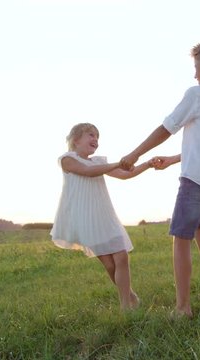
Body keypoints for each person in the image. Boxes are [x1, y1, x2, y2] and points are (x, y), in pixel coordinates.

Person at [120, 40, 200, 318]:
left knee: (181, 236)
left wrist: (135, 153)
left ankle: (182, 307)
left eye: (197, 67)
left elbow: (167, 128)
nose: (194, 74)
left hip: (196, 180)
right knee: (199, 225)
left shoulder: (198, 94)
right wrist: (174, 159)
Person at [50, 122, 154, 311]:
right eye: (91, 135)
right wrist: (119, 163)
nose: (95, 139)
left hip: (105, 215)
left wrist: (147, 164)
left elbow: (124, 175)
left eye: (97, 137)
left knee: (121, 256)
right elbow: (88, 172)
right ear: (75, 140)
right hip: (85, 219)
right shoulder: (67, 159)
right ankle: (131, 297)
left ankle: (126, 306)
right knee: (110, 264)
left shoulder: (99, 162)